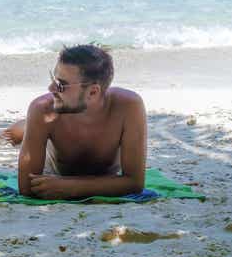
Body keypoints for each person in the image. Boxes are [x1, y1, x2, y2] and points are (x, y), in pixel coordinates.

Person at [17, 44, 146, 199]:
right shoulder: (42, 109)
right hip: (60, 167)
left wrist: (72, 187)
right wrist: (106, 186)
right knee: (22, 130)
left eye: (60, 85)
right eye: (53, 79)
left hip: (63, 179)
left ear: (93, 92)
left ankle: (21, 128)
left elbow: (135, 183)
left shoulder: (128, 106)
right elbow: (26, 186)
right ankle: (21, 128)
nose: (51, 88)